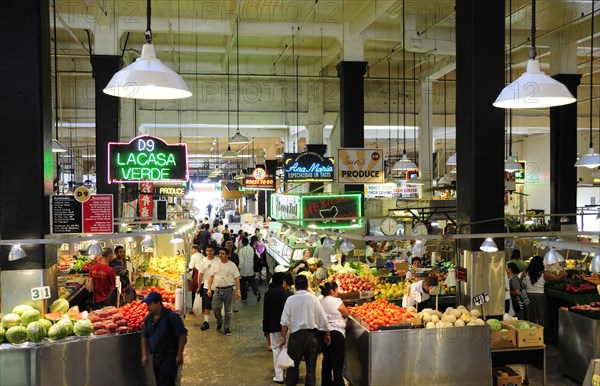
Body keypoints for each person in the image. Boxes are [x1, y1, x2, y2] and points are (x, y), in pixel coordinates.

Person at [280, 275, 330, 386]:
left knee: (292, 368)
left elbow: (284, 322)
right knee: (311, 370)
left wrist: (283, 338)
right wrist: (327, 333)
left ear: (296, 287)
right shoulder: (313, 299)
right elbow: (323, 318)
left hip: (295, 338)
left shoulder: (290, 300)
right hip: (311, 338)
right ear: (307, 286)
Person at [141, 291, 188, 386]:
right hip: (156, 358)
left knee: (165, 382)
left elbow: (182, 335)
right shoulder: (148, 319)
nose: (147, 307)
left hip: (169, 357)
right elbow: (144, 337)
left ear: (158, 303)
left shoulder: (171, 317)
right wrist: (144, 355)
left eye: (150, 304)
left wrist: (180, 354)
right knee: (159, 382)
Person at [263, 272, 293, 384]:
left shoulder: (268, 294)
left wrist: (265, 328)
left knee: (276, 350)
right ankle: (288, 374)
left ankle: (279, 376)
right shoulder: (287, 295)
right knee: (286, 348)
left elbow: (266, 313)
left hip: (274, 326)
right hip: (287, 326)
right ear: (283, 281)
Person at [319, 281, 349, 386]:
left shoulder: (319, 299)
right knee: (337, 362)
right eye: (337, 289)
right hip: (336, 334)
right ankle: (338, 383)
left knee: (327, 359)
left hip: (323, 333)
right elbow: (346, 313)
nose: (338, 292)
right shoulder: (336, 301)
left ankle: (326, 383)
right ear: (332, 291)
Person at [522, 255, 566, 326]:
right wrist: (563, 273)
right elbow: (557, 279)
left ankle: (528, 328)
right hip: (539, 297)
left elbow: (521, 282)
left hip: (528, 296)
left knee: (529, 314)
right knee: (540, 314)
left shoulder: (526, 272)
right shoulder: (544, 274)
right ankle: (539, 329)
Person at [206, 248, 241, 336]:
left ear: (228, 255)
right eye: (220, 253)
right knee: (216, 308)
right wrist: (209, 289)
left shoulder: (232, 265)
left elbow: (237, 278)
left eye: (223, 253)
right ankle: (219, 320)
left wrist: (238, 290)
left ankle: (227, 328)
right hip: (217, 290)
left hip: (228, 290)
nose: (220, 255)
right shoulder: (215, 264)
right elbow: (211, 276)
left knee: (228, 310)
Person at [196, 246, 217, 331]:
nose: (209, 252)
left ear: (213, 251)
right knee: (206, 304)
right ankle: (206, 322)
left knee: (217, 306)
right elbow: (200, 274)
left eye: (211, 251)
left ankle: (219, 320)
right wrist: (198, 286)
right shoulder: (203, 261)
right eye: (207, 251)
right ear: (205, 251)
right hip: (206, 286)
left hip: (217, 286)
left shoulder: (217, 261)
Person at [238, 237, 261, 303]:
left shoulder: (241, 250)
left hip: (243, 270)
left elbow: (241, 261)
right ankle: (256, 292)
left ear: (242, 243)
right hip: (251, 269)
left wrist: (239, 268)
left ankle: (244, 298)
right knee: (252, 282)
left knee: (243, 284)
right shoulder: (252, 249)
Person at [188, 245, 203, 311]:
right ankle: (202, 306)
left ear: (195, 249)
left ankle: (194, 307)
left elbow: (191, 267)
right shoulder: (202, 255)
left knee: (195, 290)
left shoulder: (194, 256)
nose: (191, 251)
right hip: (203, 275)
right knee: (201, 290)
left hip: (197, 275)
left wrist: (186, 271)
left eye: (192, 250)